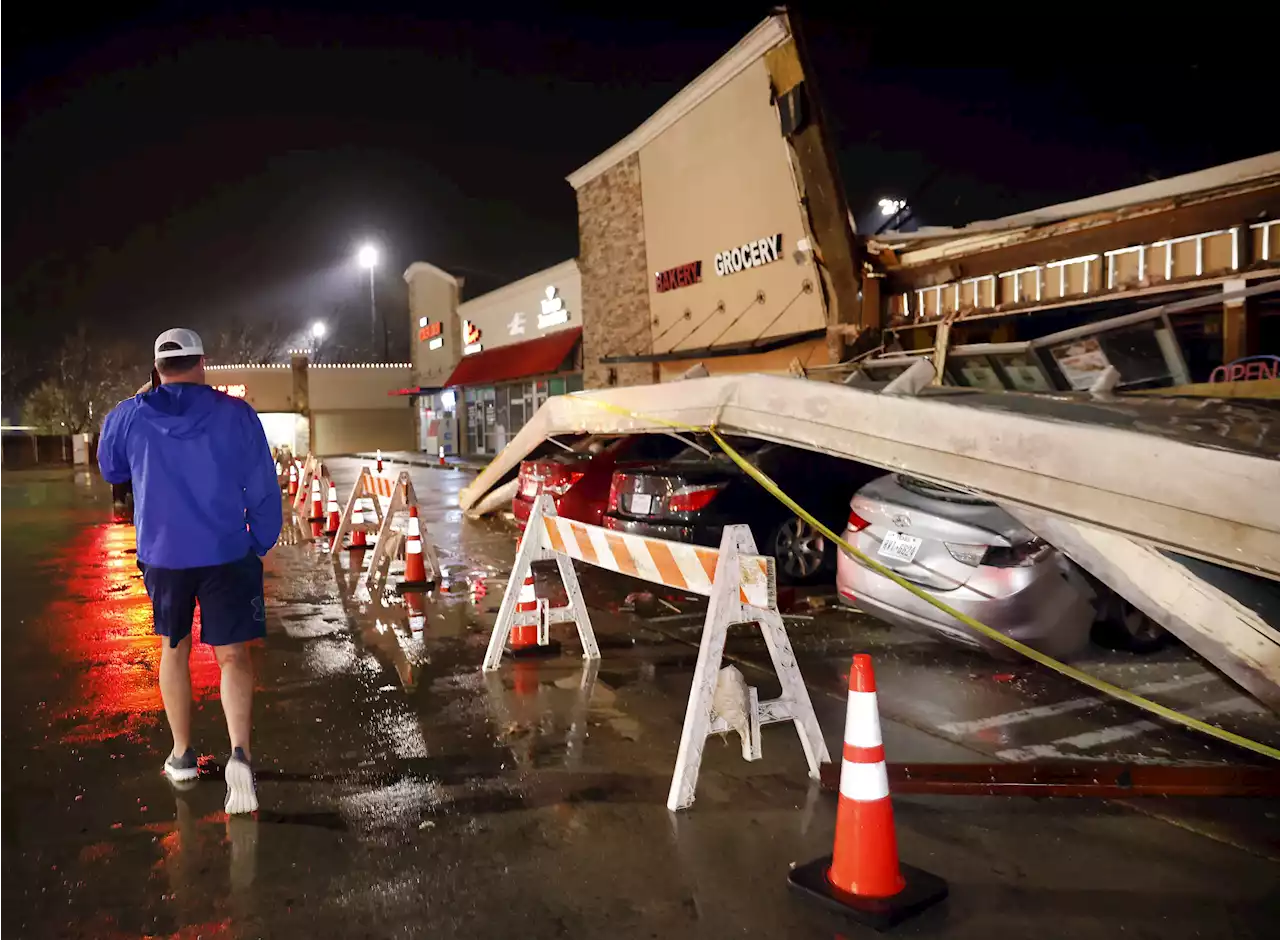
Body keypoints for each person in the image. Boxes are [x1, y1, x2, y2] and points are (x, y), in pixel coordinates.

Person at [98, 328, 283, 814]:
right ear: (203, 363)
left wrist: (135, 403)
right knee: (232, 656)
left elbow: (111, 468)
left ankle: (182, 755)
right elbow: (263, 483)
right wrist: (260, 540)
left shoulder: (131, 415)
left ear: (157, 369)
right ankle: (238, 755)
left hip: (163, 554)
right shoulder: (236, 414)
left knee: (173, 650)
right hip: (226, 549)